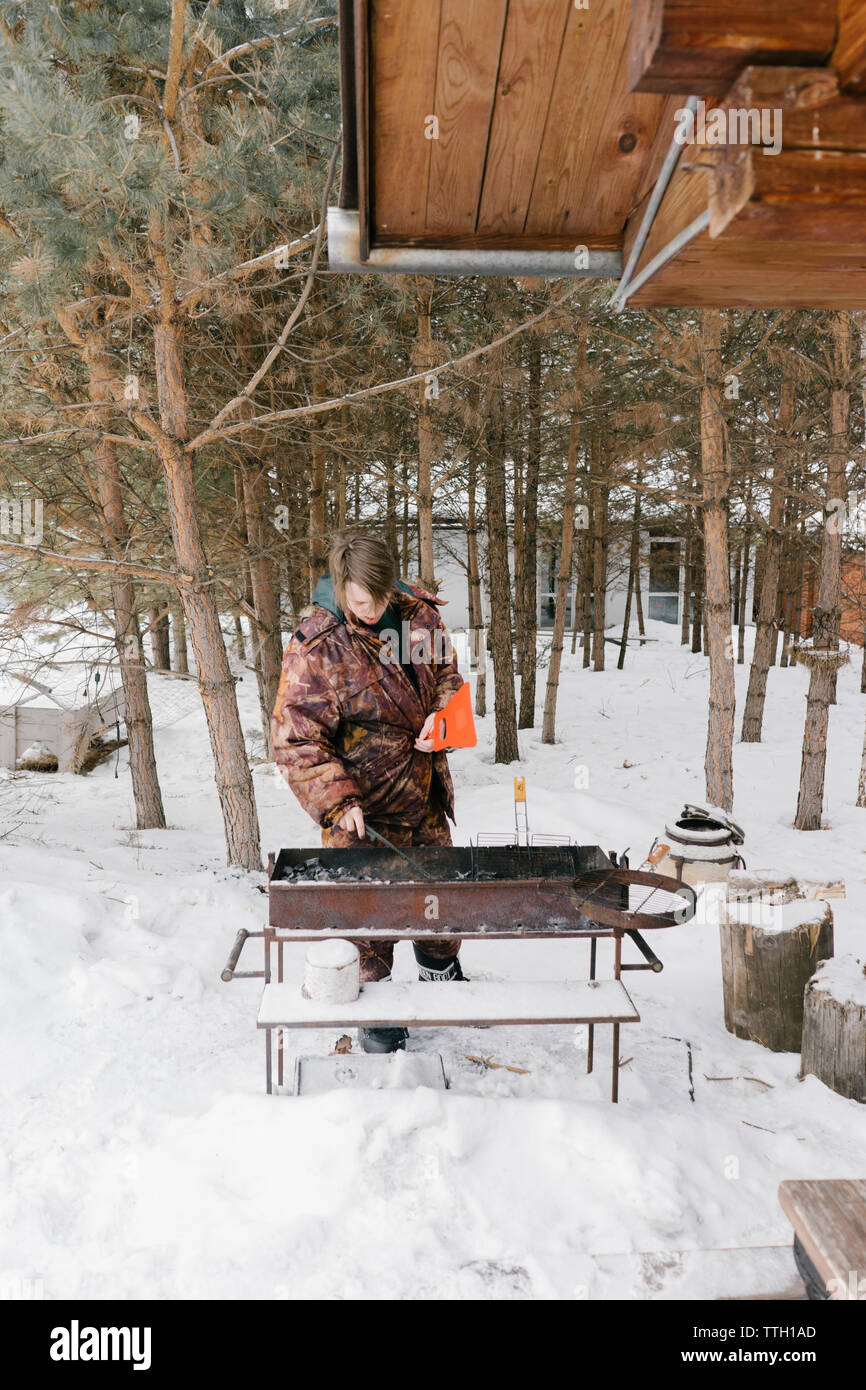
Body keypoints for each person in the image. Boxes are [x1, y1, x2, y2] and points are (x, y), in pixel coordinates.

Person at [271, 531, 467, 1052]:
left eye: (380, 596)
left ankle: (442, 977)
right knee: (367, 921)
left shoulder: (418, 615)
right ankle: (379, 1017)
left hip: (423, 795)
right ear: (340, 587)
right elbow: (295, 738)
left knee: (439, 904)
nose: (373, 608)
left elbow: (447, 674)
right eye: (361, 600)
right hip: (363, 812)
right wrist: (338, 802)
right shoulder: (317, 644)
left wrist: (443, 717)